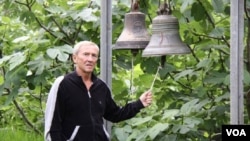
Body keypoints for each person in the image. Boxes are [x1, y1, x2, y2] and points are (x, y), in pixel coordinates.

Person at [44, 41, 153, 141]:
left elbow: (115, 114)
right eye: (86, 54)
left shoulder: (101, 87)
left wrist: (139, 103)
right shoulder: (63, 84)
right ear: (75, 58)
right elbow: (53, 126)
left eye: (94, 55)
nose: (90, 59)